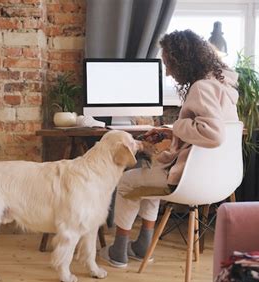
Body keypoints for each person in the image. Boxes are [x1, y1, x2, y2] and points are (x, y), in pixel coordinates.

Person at [99, 29, 240, 268]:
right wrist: (172, 131)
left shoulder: (201, 87)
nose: (167, 72)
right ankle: (143, 245)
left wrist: (180, 125)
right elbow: (210, 130)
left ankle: (118, 251)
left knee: (127, 182)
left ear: (183, 62)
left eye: (168, 64)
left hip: (188, 179)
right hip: (217, 179)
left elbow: (213, 134)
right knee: (152, 174)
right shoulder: (222, 86)